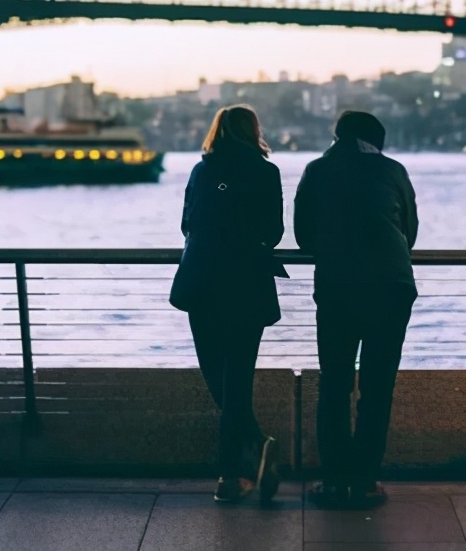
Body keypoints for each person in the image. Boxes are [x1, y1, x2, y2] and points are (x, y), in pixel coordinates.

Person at [294, 110, 418, 509]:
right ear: (377, 142)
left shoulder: (317, 170)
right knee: (378, 387)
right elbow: (409, 232)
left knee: (334, 383)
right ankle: (365, 480)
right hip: (391, 286)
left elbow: (302, 235)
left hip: (338, 287)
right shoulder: (393, 170)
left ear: (338, 136)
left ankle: (333, 480)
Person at [169, 105, 286, 503]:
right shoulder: (266, 172)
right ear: (254, 131)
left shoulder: (202, 171)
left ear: (217, 132)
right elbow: (273, 231)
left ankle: (243, 461)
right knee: (238, 376)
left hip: (201, 281)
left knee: (216, 375)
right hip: (246, 285)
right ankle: (231, 473)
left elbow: (187, 223)